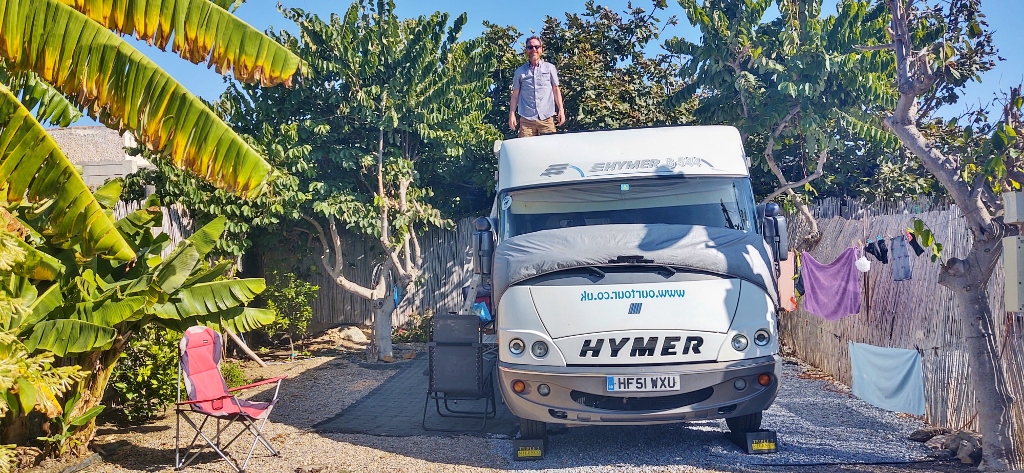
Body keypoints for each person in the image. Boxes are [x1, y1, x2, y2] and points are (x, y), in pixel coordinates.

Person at [508, 36, 566, 137]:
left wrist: (561, 110)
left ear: (541, 49)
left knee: (549, 150)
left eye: (537, 47)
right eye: (530, 47)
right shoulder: (519, 72)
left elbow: (556, 90)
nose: (533, 49)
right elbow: (515, 95)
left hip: (547, 118)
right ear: (526, 50)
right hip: (527, 120)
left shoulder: (550, 68)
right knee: (526, 150)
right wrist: (512, 114)